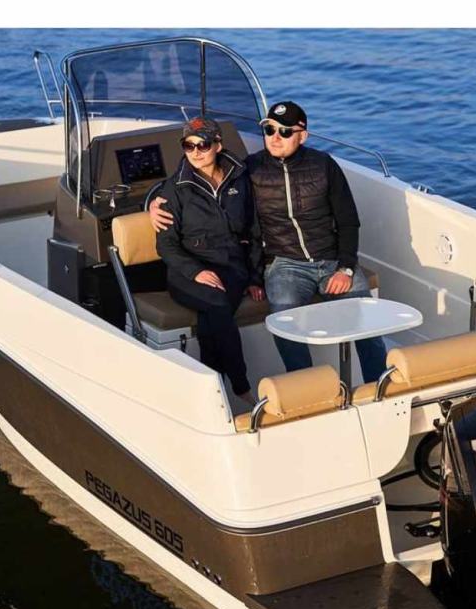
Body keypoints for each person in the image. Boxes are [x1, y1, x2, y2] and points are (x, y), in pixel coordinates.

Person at [150, 102, 387, 384]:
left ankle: (379, 386)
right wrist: (152, 204)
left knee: (366, 322)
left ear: (302, 135)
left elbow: (348, 221)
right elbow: (188, 184)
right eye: (269, 130)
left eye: (285, 132)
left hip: (333, 259)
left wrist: (345, 268)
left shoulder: (324, 165)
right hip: (285, 265)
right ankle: (307, 387)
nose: (275, 137)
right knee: (284, 324)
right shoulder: (251, 169)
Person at [154, 117, 264, 403]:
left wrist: (255, 277)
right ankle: (241, 386)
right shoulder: (174, 188)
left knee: (210, 319)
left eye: (202, 145)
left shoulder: (240, 177)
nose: (195, 152)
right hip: (186, 272)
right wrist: (196, 272)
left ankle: (213, 395)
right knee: (216, 303)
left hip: (231, 266)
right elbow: (165, 246)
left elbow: (254, 231)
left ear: (218, 145)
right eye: (188, 145)